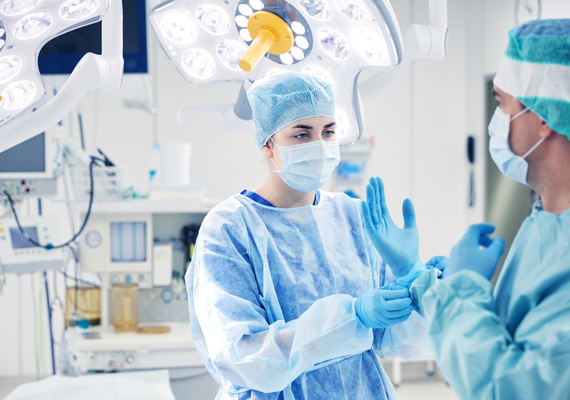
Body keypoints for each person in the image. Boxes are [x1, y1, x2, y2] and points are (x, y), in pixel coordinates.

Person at [186, 72, 432, 400]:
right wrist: (352, 317)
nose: (319, 146)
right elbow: (242, 357)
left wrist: (417, 285)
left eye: (328, 132)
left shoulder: (353, 216)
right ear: (267, 144)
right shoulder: (230, 228)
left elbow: (397, 339)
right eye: (301, 135)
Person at [360, 19, 570, 400]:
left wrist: (464, 287)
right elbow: (501, 337)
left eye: (501, 104)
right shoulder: (546, 222)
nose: (496, 122)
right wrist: (418, 277)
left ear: (542, 119)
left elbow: (509, 387)